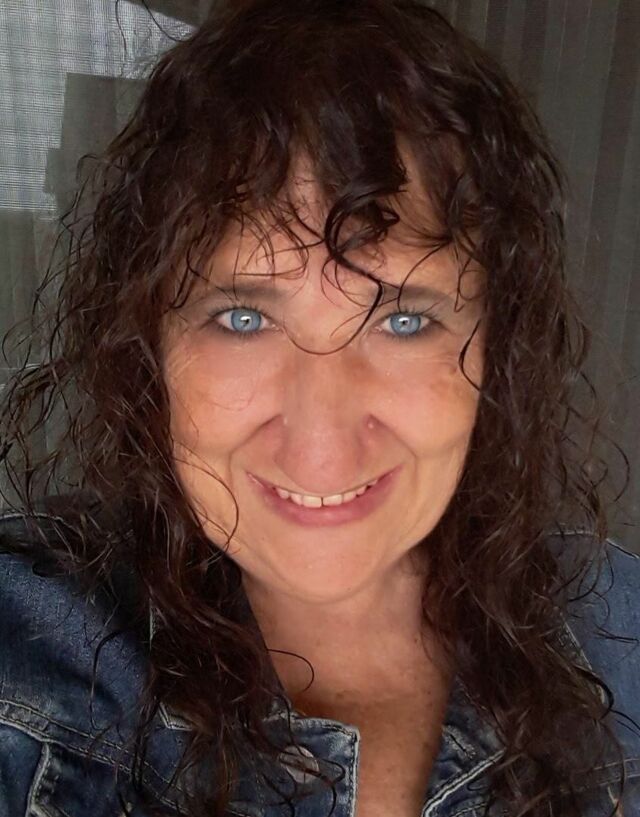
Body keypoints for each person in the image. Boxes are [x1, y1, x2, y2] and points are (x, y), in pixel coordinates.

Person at [0, 1, 638, 815]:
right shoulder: (28, 653)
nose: (323, 443)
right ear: (148, 346)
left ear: (495, 348)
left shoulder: (622, 634)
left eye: (403, 321)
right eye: (243, 318)